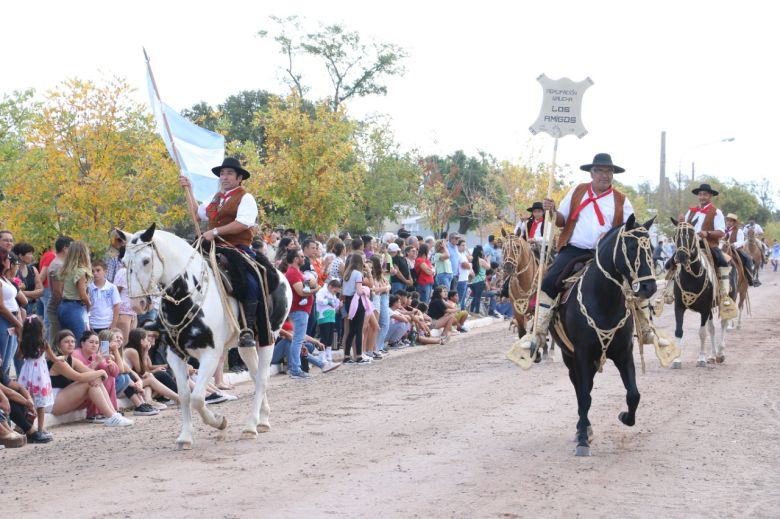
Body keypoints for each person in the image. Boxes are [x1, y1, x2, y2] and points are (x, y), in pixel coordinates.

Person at [529, 153, 643, 347]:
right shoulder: (577, 191)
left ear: (613, 175)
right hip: (575, 250)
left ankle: (644, 326)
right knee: (549, 280)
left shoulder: (621, 200)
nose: (604, 175)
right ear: (592, 173)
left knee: (637, 282)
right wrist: (552, 211)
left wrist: (610, 236)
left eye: (608, 171)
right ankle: (538, 330)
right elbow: (561, 220)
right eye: (599, 170)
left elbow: (632, 228)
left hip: (607, 255)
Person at [179, 157, 261, 348]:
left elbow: (243, 223)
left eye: (229, 173)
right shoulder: (216, 198)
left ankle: (247, 327)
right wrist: (189, 189)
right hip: (210, 245)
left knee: (247, 278)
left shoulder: (245, 197)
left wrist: (215, 232)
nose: (224, 177)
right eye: (222, 173)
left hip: (235, 247)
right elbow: (196, 215)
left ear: (239, 178)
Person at [47, 330, 133, 427]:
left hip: (63, 397)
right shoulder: (58, 361)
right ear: (58, 344)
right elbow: (78, 377)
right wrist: (101, 372)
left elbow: (90, 372)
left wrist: (99, 372)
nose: (70, 344)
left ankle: (113, 415)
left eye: (72, 341)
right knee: (89, 382)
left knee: (94, 380)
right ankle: (111, 417)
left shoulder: (72, 360)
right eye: (66, 342)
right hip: (52, 401)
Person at [671, 183, 734, 310]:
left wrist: (707, 233)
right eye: (700, 194)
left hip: (708, 245)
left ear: (710, 196)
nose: (702, 197)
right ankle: (667, 291)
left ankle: (724, 292)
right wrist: (681, 222)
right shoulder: (691, 211)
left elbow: (721, 232)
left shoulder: (717, 212)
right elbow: (685, 229)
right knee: (671, 261)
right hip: (690, 246)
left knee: (723, 262)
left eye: (705, 194)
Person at [15, 315, 55, 442]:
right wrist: (61, 359)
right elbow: (53, 358)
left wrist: (21, 342)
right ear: (40, 329)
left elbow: (18, 356)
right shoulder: (43, 343)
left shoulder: (23, 343)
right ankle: (41, 428)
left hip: (27, 373)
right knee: (40, 403)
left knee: (26, 400)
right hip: (40, 375)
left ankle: (22, 427)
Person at [284, 248, 315, 378]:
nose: (304, 258)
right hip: (299, 310)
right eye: (301, 256)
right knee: (298, 340)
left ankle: (295, 368)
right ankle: (295, 369)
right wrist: (316, 289)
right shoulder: (293, 273)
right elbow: (301, 292)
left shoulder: (296, 272)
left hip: (301, 310)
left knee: (298, 339)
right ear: (296, 259)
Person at [57, 241, 92, 343]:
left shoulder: (67, 269)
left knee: (65, 341)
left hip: (64, 306)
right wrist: (89, 305)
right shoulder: (81, 271)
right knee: (78, 341)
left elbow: (61, 289)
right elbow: (83, 295)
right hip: (74, 307)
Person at [0, 248, 25, 380]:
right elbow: (1, 307)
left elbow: (20, 302)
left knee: (7, 361)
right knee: (3, 362)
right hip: (4, 320)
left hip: (13, 319)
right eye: (7, 258)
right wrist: (18, 324)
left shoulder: (5, 278)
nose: (10, 261)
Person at [342, 253, 370, 364]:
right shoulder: (358, 273)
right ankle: (358, 356)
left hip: (348, 301)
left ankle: (346, 356)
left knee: (351, 331)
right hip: (357, 301)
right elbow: (359, 291)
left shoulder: (347, 273)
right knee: (358, 330)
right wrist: (366, 290)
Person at [44, 236, 73, 344]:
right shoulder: (58, 265)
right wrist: (64, 308)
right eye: (72, 248)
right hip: (58, 307)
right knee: (57, 342)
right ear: (65, 248)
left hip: (58, 306)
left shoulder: (61, 264)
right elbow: (57, 292)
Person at [722, 213, 757, 287]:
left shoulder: (739, 231)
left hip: (735, 249)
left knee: (747, 258)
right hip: (723, 249)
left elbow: (741, 241)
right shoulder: (722, 230)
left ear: (734, 222)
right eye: (728, 220)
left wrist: (734, 244)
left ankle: (750, 277)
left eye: (731, 221)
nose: (729, 222)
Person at [88, 260, 121, 334]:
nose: (95, 273)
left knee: (105, 345)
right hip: (93, 325)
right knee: (93, 344)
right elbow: (86, 307)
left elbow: (116, 306)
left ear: (105, 271)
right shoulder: (89, 287)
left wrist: (113, 325)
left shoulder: (112, 287)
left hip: (107, 324)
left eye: (98, 270)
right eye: (92, 271)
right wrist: (88, 323)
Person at [13, 242, 43, 315]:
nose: (32, 256)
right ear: (20, 256)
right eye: (29, 254)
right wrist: (32, 294)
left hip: (32, 308)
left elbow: (40, 291)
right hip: (17, 308)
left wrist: (22, 293)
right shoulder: (12, 271)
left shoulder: (33, 270)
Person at [468, 245, 491, 315]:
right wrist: (488, 260)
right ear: (480, 251)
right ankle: (476, 312)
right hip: (480, 281)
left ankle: (471, 311)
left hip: (472, 281)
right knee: (477, 297)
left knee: (475, 296)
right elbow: (488, 267)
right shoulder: (481, 260)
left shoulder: (471, 259)